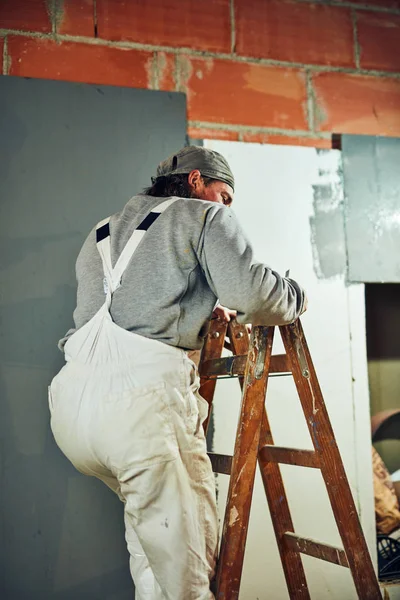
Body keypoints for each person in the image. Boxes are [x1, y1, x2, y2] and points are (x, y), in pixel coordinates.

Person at [49, 146, 307, 600]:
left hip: (72, 410)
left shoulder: (102, 231)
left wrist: (200, 316)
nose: (225, 207)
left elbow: (132, 308)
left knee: (150, 533)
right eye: (223, 195)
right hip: (138, 409)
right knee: (187, 560)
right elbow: (256, 296)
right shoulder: (204, 217)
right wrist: (295, 295)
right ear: (195, 182)